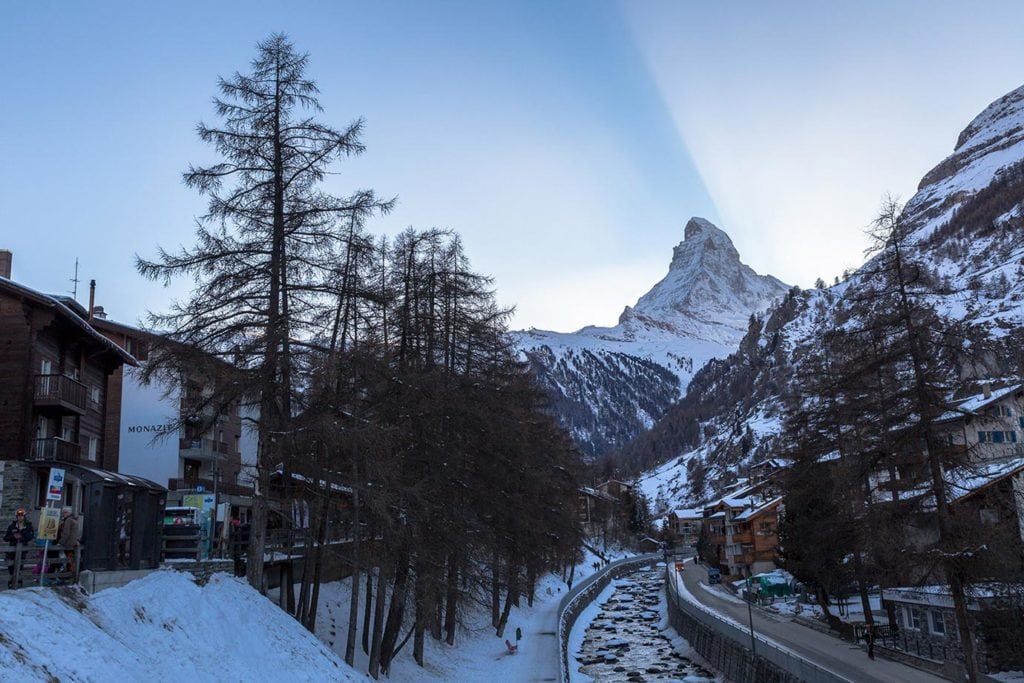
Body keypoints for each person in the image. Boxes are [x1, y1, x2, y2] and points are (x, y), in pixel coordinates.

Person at [4, 508, 35, 588]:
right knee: (11, 567)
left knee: (19, 567)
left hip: (22, 550)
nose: (20, 517)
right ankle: (11, 582)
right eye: (18, 516)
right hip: (12, 550)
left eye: (22, 516)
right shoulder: (12, 526)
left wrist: (23, 532)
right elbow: (6, 538)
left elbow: (30, 537)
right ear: (16, 517)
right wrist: (14, 536)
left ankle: (19, 582)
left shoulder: (28, 525)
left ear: (24, 517)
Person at [56, 507, 82, 576]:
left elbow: (66, 533)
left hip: (68, 543)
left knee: (63, 558)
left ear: (67, 513)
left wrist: (60, 542)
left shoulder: (68, 520)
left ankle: (64, 574)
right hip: (73, 543)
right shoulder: (74, 520)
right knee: (70, 559)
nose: (63, 514)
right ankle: (69, 574)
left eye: (64, 513)